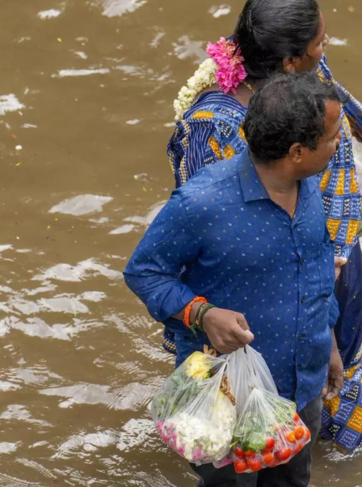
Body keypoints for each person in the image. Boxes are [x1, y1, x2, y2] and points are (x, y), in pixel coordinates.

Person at [164, 0, 362, 451]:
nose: (325, 51)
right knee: (243, 414)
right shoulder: (217, 127)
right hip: (263, 285)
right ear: (289, 61)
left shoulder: (314, 88)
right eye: (320, 43)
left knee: (317, 388)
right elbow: (201, 234)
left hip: (328, 264)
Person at [125, 73, 344, 486]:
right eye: (333, 135)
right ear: (297, 151)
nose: (339, 143)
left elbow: (316, 271)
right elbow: (145, 272)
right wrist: (201, 314)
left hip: (302, 388)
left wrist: (329, 343)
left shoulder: (308, 185)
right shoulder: (201, 203)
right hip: (226, 399)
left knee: (293, 480)